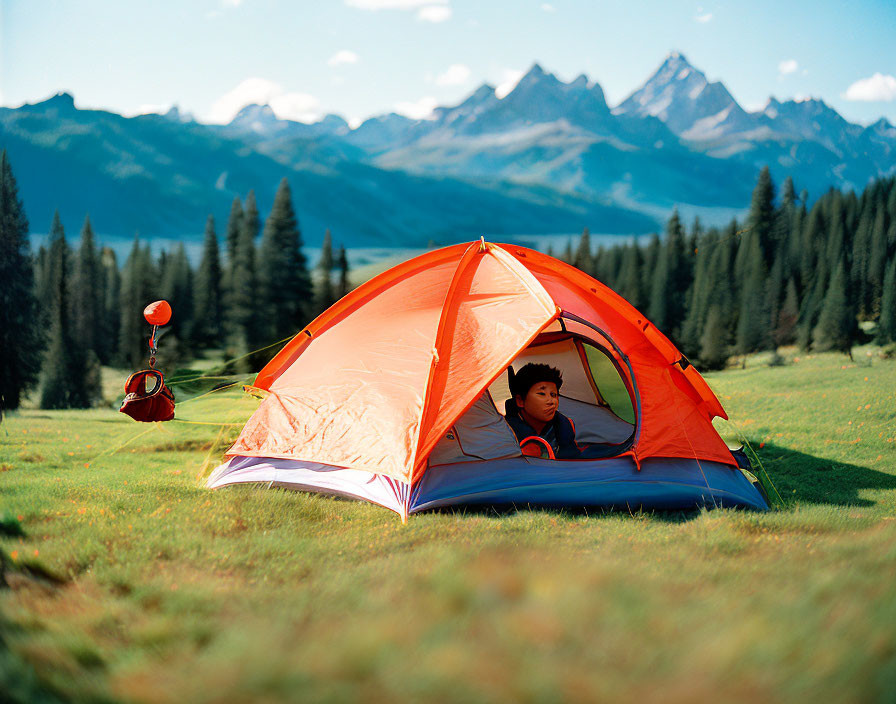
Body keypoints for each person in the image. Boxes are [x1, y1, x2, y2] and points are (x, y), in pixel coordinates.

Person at [504, 363, 582, 459]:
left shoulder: (564, 426)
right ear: (520, 401)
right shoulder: (505, 433)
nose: (551, 401)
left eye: (553, 395)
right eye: (542, 393)